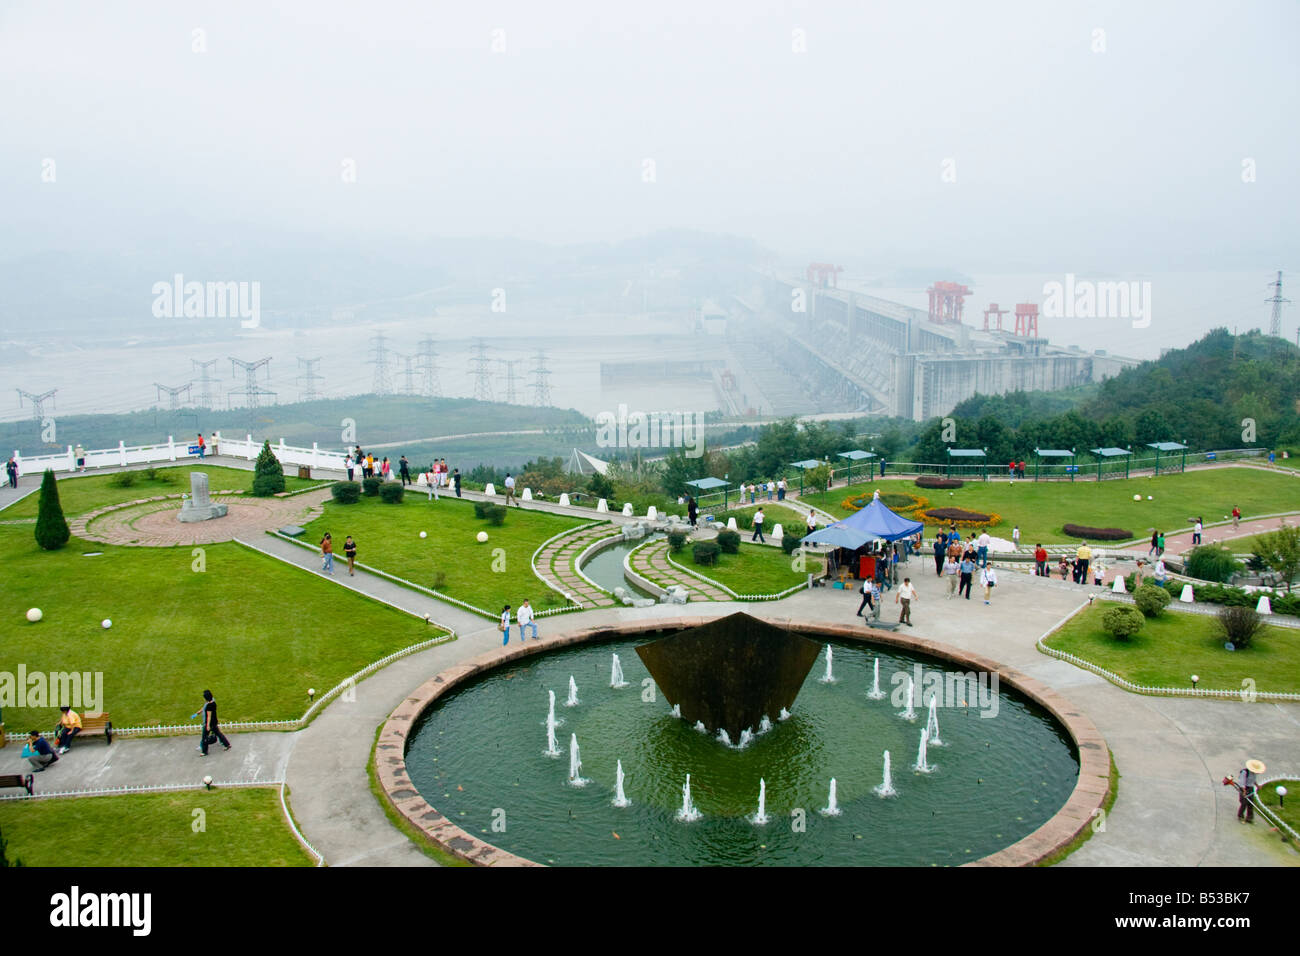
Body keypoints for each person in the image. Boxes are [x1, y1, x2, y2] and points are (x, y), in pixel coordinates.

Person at [198, 689, 231, 756]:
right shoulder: (213, 703)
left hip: (210, 724)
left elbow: (209, 717)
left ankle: (204, 751)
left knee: (204, 737)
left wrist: (207, 725)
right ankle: (227, 744)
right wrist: (200, 711)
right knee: (219, 734)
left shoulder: (208, 706)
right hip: (214, 722)